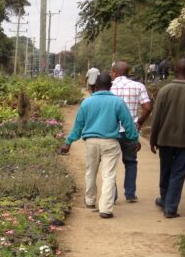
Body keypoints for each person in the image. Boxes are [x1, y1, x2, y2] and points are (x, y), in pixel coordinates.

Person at [59, 72, 139, 218]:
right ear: (111, 86)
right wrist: (134, 139)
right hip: (111, 142)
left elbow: (78, 126)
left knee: (91, 172)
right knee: (109, 175)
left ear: (95, 85)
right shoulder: (118, 102)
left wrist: (68, 142)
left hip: (91, 142)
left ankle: (90, 201)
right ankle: (106, 209)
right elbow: (128, 124)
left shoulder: (87, 102)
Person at [148, 58, 185, 219]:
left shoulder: (165, 91)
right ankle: (170, 207)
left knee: (165, 171)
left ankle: (165, 199)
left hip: (165, 139)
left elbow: (157, 118)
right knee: (178, 174)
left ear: (174, 70)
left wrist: (152, 140)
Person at [110, 61, 152, 203]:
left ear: (114, 72)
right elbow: (147, 107)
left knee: (110, 164)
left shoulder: (109, 87)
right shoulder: (138, 86)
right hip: (131, 131)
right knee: (131, 162)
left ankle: (112, 196)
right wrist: (139, 122)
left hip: (112, 131)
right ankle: (130, 194)